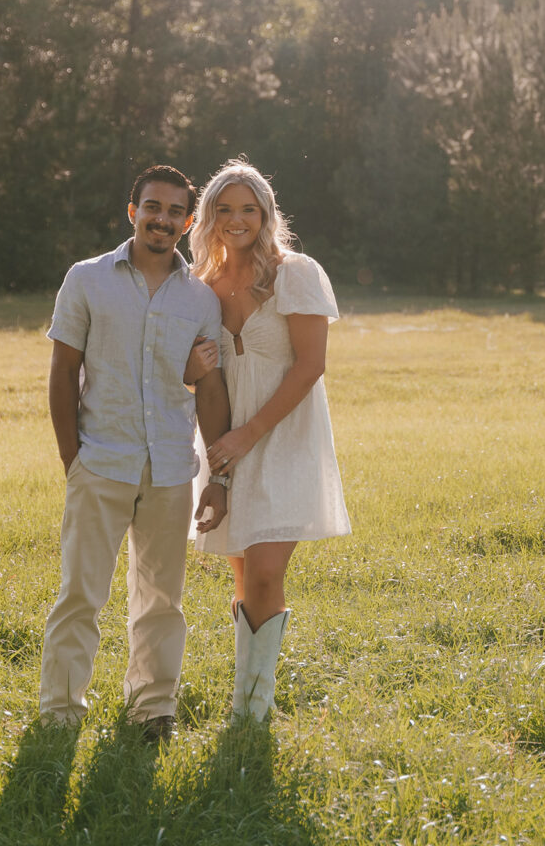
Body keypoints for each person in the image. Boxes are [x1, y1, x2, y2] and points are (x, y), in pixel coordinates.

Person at [40, 165, 230, 742]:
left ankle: (152, 711)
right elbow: (63, 371)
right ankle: (60, 713)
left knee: (161, 600)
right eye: (153, 207)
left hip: (171, 469)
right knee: (80, 593)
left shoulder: (201, 297)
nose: (163, 219)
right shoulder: (87, 279)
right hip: (101, 461)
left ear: (189, 222)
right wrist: (74, 457)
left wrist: (218, 478)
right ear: (133, 211)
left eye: (176, 211)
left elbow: (210, 388)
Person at [184, 158, 351, 721]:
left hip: (281, 436)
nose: (237, 219)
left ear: (266, 214)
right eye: (224, 209)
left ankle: (252, 709)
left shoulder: (295, 272)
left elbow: (310, 367)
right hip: (226, 442)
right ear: (208, 218)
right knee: (240, 572)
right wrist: (223, 453)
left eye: (247, 209)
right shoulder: (203, 286)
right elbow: (202, 376)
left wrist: (249, 436)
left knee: (265, 571)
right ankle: (247, 700)